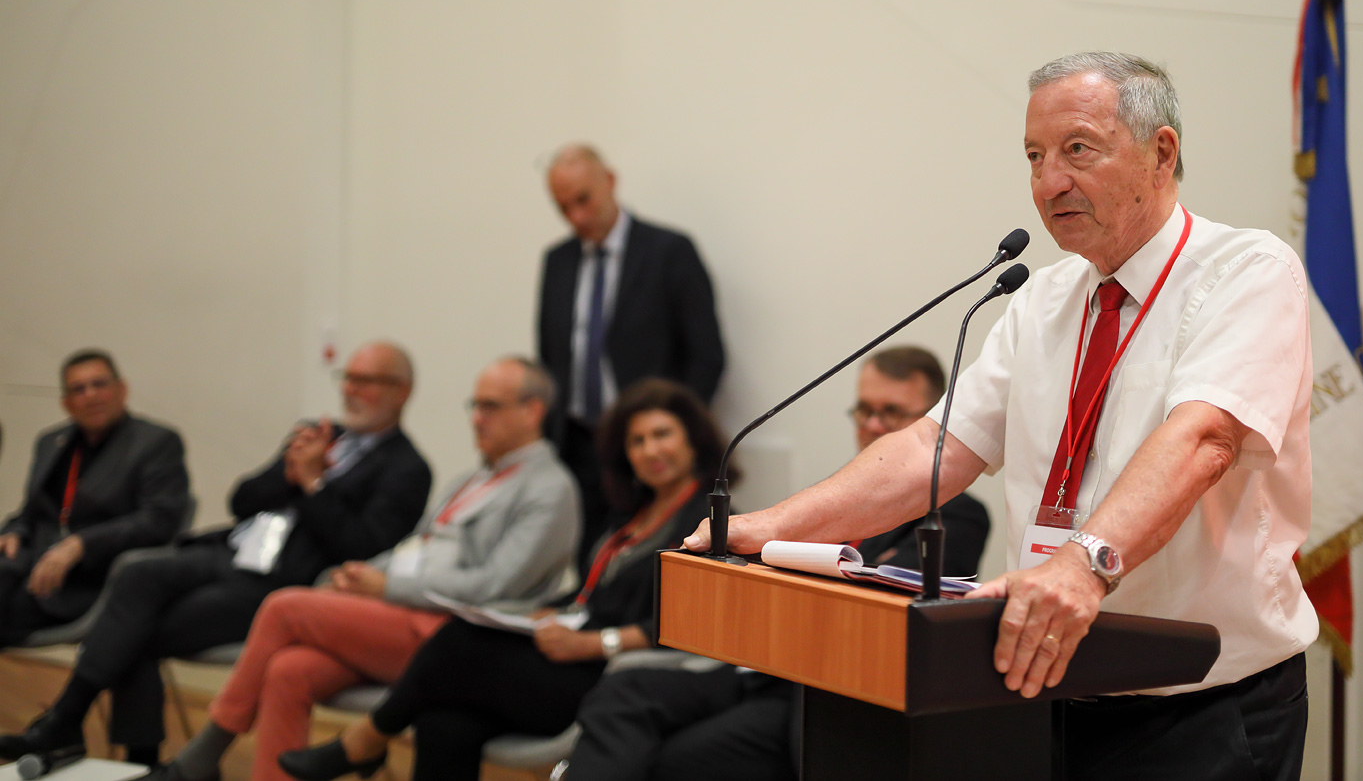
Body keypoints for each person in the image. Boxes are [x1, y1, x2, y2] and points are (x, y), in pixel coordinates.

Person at [686, 52, 1318, 781]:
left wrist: (1081, 565)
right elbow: (935, 447)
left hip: (1201, 706)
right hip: (1045, 689)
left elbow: (1202, 437)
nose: (1049, 183)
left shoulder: (1246, 270)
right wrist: (772, 527)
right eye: (1034, 157)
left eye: (1077, 149)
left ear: (1161, 152)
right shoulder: (1042, 298)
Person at [557, 346, 992, 781]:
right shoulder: (838, 503)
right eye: (865, 411)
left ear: (935, 418)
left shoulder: (957, 514)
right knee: (624, 693)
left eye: (891, 412)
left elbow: (882, 603)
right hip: (754, 668)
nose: (873, 425)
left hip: (823, 687)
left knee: (678, 757)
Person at [0, 342, 433, 768]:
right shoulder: (320, 435)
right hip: (231, 553)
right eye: (348, 378)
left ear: (401, 391)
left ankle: (117, 746)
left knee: (136, 627)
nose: (351, 390)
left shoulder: (407, 468)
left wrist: (314, 484)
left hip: (283, 584)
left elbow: (360, 546)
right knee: (138, 575)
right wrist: (290, 472)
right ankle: (92, 734)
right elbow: (242, 500)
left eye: (366, 381)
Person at [148, 357, 580, 781]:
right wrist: (352, 576)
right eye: (475, 406)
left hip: (454, 640)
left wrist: (387, 586)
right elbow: (414, 548)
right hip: (400, 617)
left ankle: (201, 757)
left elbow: (493, 585)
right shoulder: (473, 478)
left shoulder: (549, 489)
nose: (477, 419)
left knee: (284, 607)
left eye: (490, 407)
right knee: (289, 670)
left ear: (532, 411)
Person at [277, 378, 732, 781]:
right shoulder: (628, 517)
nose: (650, 451)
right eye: (637, 441)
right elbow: (595, 594)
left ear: (693, 439)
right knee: (444, 722)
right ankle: (365, 743)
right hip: (569, 654)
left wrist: (596, 643)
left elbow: (693, 628)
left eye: (662, 435)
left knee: (458, 641)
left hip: (611, 679)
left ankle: (365, 740)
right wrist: (550, 611)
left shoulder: (711, 522)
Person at [536, 144, 725, 555]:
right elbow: (551, 356)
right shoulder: (558, 261)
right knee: (591, 555)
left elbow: (706, 355)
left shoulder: (668, 252)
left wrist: (678, 431)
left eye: (583, 200)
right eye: (563, 207)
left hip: (650, 449)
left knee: (648, 559)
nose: (576, 217)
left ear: (609, 181)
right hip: (579, 443)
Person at [0, 350, 188, 646]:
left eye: (99, 384)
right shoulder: (51, 442)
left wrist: (81, 544)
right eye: (78, 389)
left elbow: (159, 520)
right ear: (66, 403)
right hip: (29, 561)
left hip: (89, 577)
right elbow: (33, 510)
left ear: (122, 389)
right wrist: (14, 531)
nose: (90, 396)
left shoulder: (156, 442)